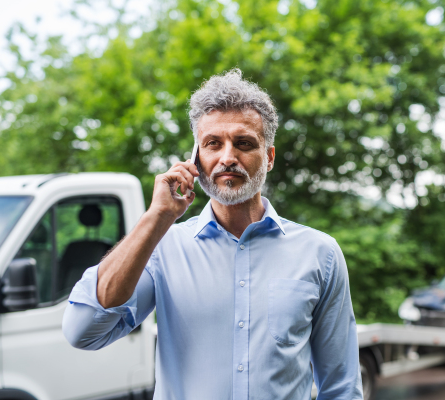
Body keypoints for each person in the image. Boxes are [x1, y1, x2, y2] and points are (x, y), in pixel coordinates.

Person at [62, 69, 363, 400]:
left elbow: (341, 387)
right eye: (213, 144)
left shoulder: (320, 253)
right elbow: (83, 330)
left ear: (270, 157)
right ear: (196, 159)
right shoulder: (163, 249)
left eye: (244, 143)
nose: (228, 157)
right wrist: (157, 217)